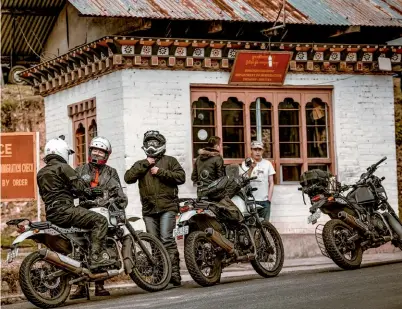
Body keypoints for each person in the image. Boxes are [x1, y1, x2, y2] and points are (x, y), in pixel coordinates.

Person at [37, 136, 113, 271]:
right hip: (66, 211)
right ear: (61, 151)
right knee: (100, 221)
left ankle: (82, 282)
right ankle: (96, 257)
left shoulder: (41, 173)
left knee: (78, 239)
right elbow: (79, 188)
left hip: (51, 213)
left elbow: (46, 194)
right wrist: (91, 192)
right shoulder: (63, 167)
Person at [124, 130, 185, 286]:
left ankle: (174, 274)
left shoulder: (170, 161)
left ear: (161, 145)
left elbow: (181, 177)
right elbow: (128, 177)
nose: (151, 146)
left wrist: (161, 172)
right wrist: (146, 164)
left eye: (155, 143)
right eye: (148, 143)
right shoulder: (141, 164)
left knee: (166, 239)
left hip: (168, 207)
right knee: (154, 242)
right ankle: (160, 274)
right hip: (149, 210)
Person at [70, 136, 128, 299]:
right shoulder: (80, 171)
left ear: (106, 155)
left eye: (100, 152)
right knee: (80, 247)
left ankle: (100, 284)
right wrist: (84, 194)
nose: (96, 154)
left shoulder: (111, 172)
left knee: (102, 245)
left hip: (105, 212)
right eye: (94, 150)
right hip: (84, 213)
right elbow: (72, 191)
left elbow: (118, 193)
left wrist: (114, 201)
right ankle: (81, 287)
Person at [241, 141, 276, 221]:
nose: (257, 152)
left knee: (265, 225)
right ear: (251, 150)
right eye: (255, 149)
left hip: (264, 200)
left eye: (259, 149)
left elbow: (271, 182)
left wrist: (269, 199)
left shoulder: (268, 164)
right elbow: (244, 180)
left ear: (262, 151)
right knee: (251, 225)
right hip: (251, 200)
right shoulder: (246, 164)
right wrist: (251, 168)